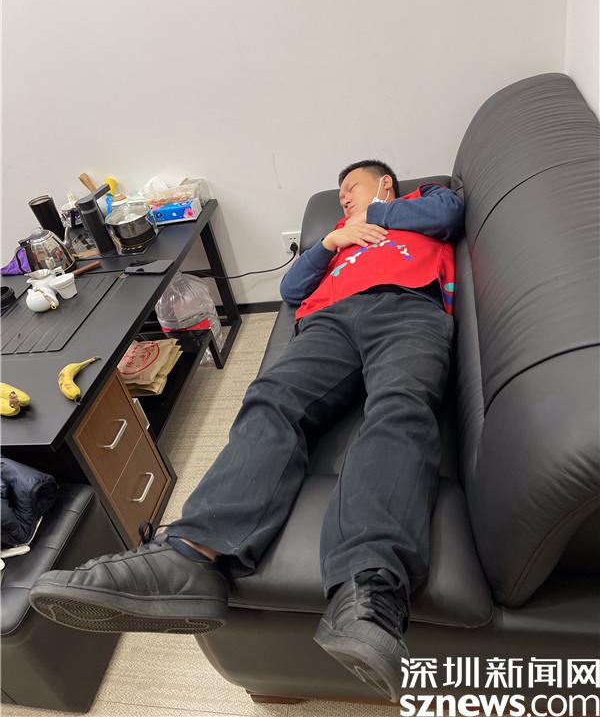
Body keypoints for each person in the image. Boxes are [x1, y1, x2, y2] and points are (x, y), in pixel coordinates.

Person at [30, 160, 464, 703]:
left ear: (385, 184)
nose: (344, 200)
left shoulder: (422, 202)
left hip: (409, 308)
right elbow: (292, 287)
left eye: (351, 189)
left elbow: (449, 214)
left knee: (400, 410)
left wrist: (375, 214)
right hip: (330, 321)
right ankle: (191, 556)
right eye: (341, 196)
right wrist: (332, 242)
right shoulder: (340, 236)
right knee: (271, 400)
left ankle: (367, 591)